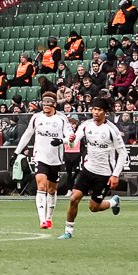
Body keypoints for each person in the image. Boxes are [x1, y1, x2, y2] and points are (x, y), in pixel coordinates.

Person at [58, 96, 126, 239]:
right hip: (88, 169)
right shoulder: (86, 125)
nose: (95, 112)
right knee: (73, 198)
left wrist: (115, 175)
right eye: (94, 109)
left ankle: (113, 202)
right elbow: (73, 143)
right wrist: (70, 141)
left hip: (105, 174)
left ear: (105, 112)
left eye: (99, 110)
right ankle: (68, 231)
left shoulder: (111, 130)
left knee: (93, 207)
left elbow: (123, 153)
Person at [13, 92, 71, 230]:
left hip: (55, 159)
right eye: (44, 103)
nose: (46, 105)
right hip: (40, 157)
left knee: (51, 190)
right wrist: (16, 153)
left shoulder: (62, 119)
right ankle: (42, 220)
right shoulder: (36, 118)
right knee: (41, 185)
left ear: (54, 104)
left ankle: (49, 217)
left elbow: (71, 136)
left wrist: (61, 141)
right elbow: (27, 134)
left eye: (49, 103)